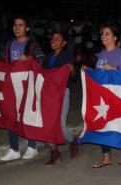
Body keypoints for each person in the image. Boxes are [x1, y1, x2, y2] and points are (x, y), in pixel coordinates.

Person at [0, 15, 45, 161]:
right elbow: (1, 61)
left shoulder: (32, 45)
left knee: (27, 116)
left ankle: (32, 147)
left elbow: (42, 59)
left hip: (27, 86)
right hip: (12, 86)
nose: (17, 27)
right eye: (15, 25)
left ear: (27, 28)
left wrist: (30, 59)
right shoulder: (9, 44)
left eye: (21, 25)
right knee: (10, 114)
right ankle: (14, 149)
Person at [89, 23, 121, 168]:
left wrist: (115, 69)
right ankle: (106, 157)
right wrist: (89, 72)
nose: (104, 36)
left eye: (107, 34)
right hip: (103, 97)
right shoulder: (101, 55)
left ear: (115, 37)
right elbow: (99, 76)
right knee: (102, 123)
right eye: (102, 34)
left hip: (119, 96)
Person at [41, 31, 80, 165]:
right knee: (47, 124)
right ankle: (54, 151)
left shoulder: (67, 55)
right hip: (48, 95)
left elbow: (74, 77)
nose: (53, 40)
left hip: (63, 92)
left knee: (60, 125)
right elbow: (42, 75)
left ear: (63, 43)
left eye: (57, 39)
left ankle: (73, 140)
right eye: (52, 38)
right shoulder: (47, 58)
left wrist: (72, 69)